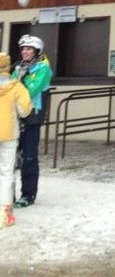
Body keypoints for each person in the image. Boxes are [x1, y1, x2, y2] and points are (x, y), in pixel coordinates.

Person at [11, 34, 53, 208]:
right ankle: (7, 193)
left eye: (28, 49)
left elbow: (32, 91)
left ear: (36, 51)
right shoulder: (18, 67)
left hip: (32, 116)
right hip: (15, 116)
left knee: (28, 156)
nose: (25, 52)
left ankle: (28, 193)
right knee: (11, 157)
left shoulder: (43, 69)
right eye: (23, 49)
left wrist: (20, 82)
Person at [0, 52, 32, 227]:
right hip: (9, 134)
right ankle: (5, 212)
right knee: (6, 173)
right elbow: (25, 110)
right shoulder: (16, 86)